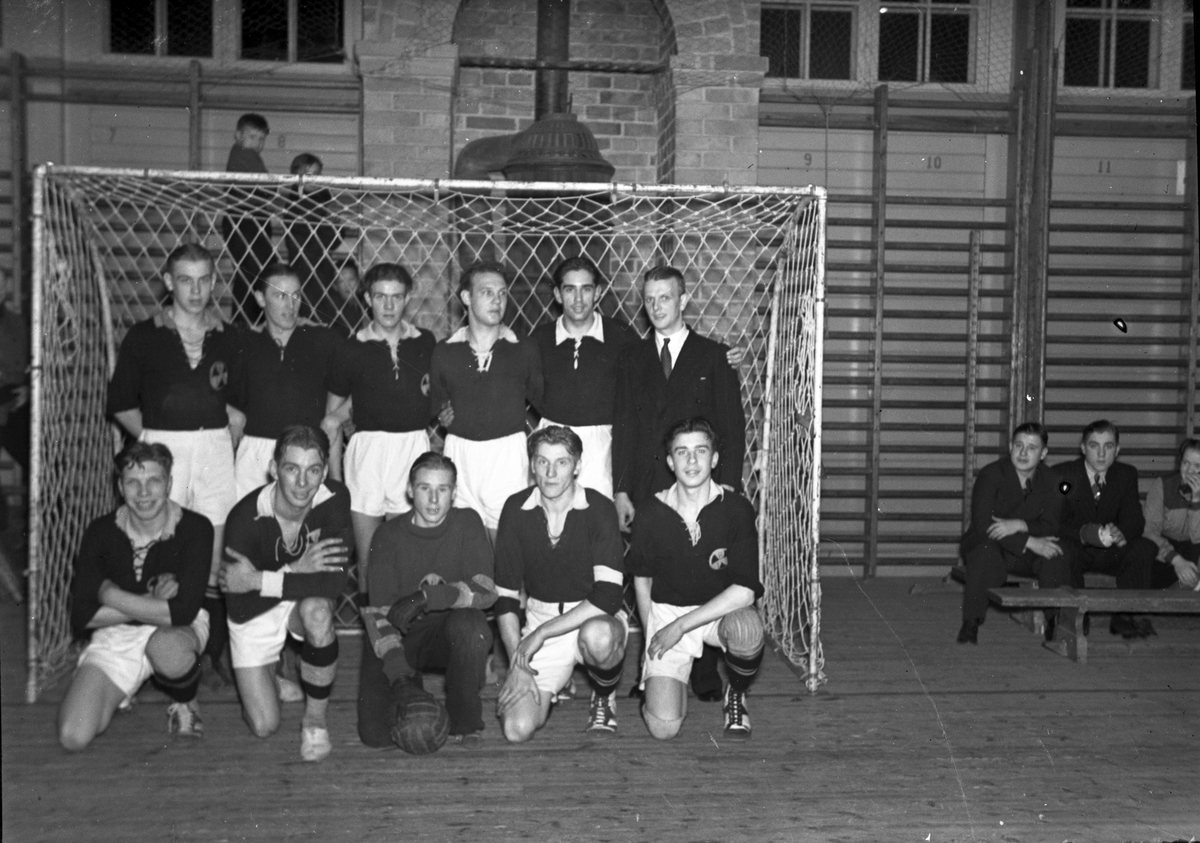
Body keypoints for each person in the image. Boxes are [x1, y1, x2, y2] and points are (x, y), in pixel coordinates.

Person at [106, 242, 244, 685]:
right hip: (163, 449)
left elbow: (237, 404)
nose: (196, 290)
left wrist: (221, 432)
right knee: (158, 554)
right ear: (168, 282)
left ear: (214, 282)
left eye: (204, 280)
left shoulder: (227, 336)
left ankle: (214, 651)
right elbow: (121, 403)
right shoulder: (143, 336)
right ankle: (145, 658)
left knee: (215, 559)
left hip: (215, 452)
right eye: (186, 280)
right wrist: (156, 442)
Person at [611, 264, 745, 701]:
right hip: (650, 488)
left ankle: (703, 671)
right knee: (651, 577)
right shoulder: (632, 357)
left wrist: (728, 488)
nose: (656, 307)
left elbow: (732, 427)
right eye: (649, 299)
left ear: (683, 300)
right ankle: (651, 665)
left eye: (665, 298)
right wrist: (621, 489)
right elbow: (624, 427)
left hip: (701, 488)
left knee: (703, 574)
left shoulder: (714, 355)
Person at [57, 442, 213, 750]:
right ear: (120, 487)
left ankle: (186, 700)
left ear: (169, 483)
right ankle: (119, 689)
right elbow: (82, 616)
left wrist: (110, 593)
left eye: (153, 480)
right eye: (132, 482)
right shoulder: (101, 531)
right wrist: (152, 600)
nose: (143, 492)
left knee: (168, 650)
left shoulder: (195, 528)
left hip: (176, 631)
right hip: (118, 634)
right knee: (73, 736)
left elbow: (181, 612)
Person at [219, 425, 353, 762]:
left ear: (324, 471)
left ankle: (315, 722)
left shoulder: (334, 499)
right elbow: (239, 606)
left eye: (313, 470)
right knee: (264, 725)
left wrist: (259, 580)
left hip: (292, 598)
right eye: (292, 469)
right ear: (273, 469)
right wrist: (296, 570)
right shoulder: (244, 518)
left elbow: (332, 585)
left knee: (318, 613)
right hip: (255, 612)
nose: (302, 482)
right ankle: (272, 674)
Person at [628, 417, 764, 740]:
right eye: (682, 452)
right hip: (667, 612)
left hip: (717, 613)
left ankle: (736, 692)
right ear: (670, 461)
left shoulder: (737, 509)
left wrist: (681, 627)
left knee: (747, 630)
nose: (691, 460)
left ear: (714, 459)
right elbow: (642, 581)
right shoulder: (650, 512)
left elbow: (746, 591)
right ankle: (669, 685)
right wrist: (653, 635)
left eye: (700, 451)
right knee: (664, 728)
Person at [495, 426, 627, 741]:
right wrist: (518, 663)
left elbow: (608, 596)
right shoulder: (515, 508)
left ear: (577, 466)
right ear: (532, 465)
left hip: (592, 615)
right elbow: (506, 598)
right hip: (542, 615)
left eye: (562, 462)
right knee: (516, 729)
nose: (551, 473)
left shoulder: (599, 508)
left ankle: (604, 693)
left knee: (598, 638)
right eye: (543, 462)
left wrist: (540, 634)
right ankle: (560, 678)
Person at [357, 452, 496, 750]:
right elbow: (378, 614)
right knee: (376, 736)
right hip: (399, 636)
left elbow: (486, 591)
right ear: (410, 490)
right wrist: (400, 678)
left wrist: (428, 597)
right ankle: (412, 684)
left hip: (445, 635)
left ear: (454, 493)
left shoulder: (467, 523)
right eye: (424, 488)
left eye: (442, 489)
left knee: (472, 626)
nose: (433, 500)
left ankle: (465, 720)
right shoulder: (387, 535)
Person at [323, 262, 437, 600]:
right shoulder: (350, 347)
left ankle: (407, 630)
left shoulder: (425, 342)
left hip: (412, 449)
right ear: (367, 298)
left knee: (409, 556)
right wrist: (336, 484)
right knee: (369, 559)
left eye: (396, 297)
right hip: (367, 453)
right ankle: (374, 633)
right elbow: (331, 420)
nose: (388, 305)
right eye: (380, 297)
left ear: (407, 298)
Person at [430, 261, 543, 541]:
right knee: (463, 547)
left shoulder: (524, 349)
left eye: (502, 293)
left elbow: (546, 404)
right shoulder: (445, 351)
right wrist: (443, 413)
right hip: (460, 455)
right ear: (466, 297)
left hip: (506, 457)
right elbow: (435, 403)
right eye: (487, 292)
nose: (497, 301)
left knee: (506, 548)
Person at [230, 263, 343, 501]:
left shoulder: (323, 341)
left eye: (296, 295)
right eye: (280, 296)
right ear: (261, 298)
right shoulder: (244, 344)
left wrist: (336, 479)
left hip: (306, 453)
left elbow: (360, 389)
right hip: (255, 456)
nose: (291, 305)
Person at [529, 257, 640, 499]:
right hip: (552, 443)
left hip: (602, 448)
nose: (578, 299)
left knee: (597, 514)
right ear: (558, 294)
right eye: (570, 290)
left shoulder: (621, 336)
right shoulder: (540, 339)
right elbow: (529, 389)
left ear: (597, 292)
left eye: (586, 289)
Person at [958, 422, 1069, 644]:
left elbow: (1051, 525)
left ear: (1043, 453)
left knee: (1054, 552)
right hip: (988, 542)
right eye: (1018, 445)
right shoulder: (991, 474)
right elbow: (983, 524)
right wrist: (1029, 541)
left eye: (1032, 448)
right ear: (1010, 447)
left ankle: (1055, 622)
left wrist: (1021, 525)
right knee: (985, 553)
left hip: (1023, 550)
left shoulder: (1052, 480)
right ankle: (971, 622)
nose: (1023, 453)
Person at [1055, 420, 1161, 638]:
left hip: (1111, 550)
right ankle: (1073, 618)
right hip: (1078, 548)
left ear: (1117, 450)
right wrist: (1084, 534)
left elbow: (1135, 519)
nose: (1101, 454)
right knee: (1061, 550)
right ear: (1083, 448)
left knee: (1144, 547)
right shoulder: (1062, 474)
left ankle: (1128, 616)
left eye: (1109, 446)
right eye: (1094, 446)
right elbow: (1054, 521)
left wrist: (1122, 532)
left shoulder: (1126, 474)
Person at [221, 113, 275, 325]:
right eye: (252, 137)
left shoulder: (246, 154)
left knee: (255, 274)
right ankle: (244, 325)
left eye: (262, 139)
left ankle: (250, 323)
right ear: (238, 135)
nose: (257, 143)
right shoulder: (244, 154)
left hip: (252, 220)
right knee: (252, 275)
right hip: (245, 221)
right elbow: (268, 186)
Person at [285, 153, 347, 327]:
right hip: (304, 270)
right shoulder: (294, 204)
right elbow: (315, 240)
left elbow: (336, 237)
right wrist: (331, 224)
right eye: (310, 174)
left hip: (323, 267)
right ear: (297, 176)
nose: (315, 179)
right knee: (309, 315)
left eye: (318, 174)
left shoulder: (323, 198)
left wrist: (335, 224)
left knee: (326, 315)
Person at [1143, 437, 1200, 589]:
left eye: (1197, 466)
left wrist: (1196, 500)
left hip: (1193, 548)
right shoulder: (1163, 485)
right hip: (1164, 549)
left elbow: (1197, 538)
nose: (1189, 470)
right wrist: (1176, 560)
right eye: (1186, 463)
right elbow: (1149, 530)